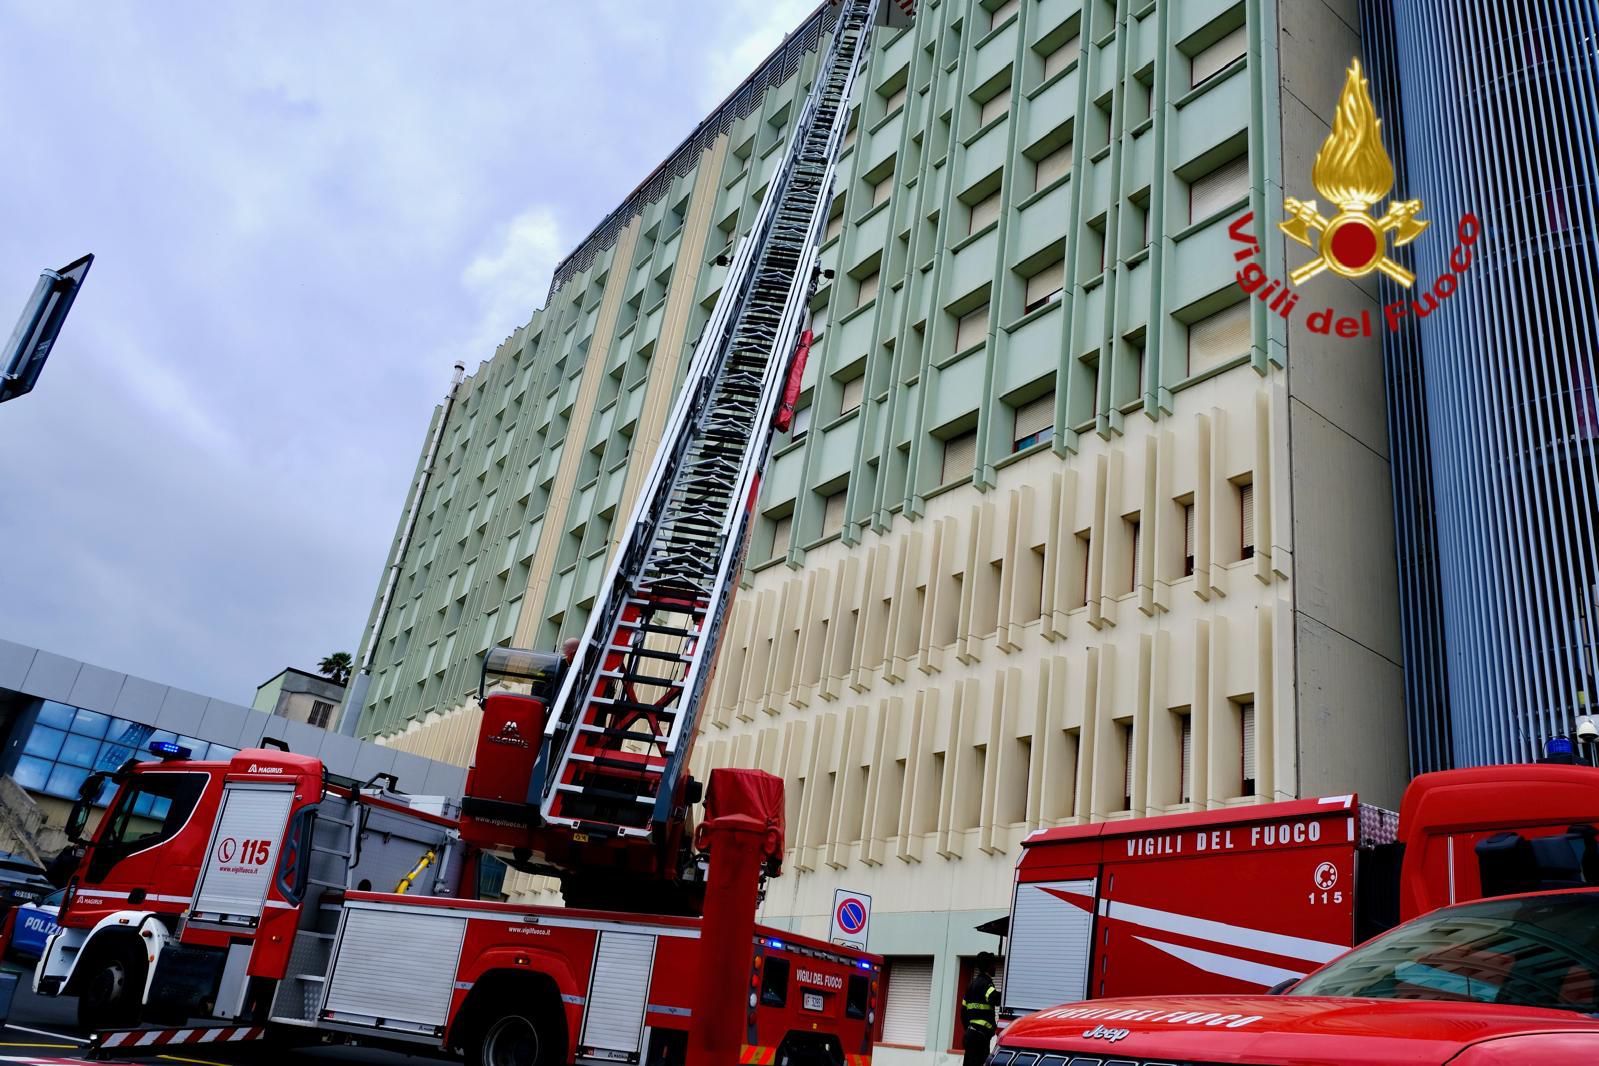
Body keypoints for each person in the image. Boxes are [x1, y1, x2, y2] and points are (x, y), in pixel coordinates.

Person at [960, 951, 1000, 1064]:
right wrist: (1008, 994)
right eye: (994, 964)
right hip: (980, 1037)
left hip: (971, 1035)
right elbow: (995, 998)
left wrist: (969, 1029)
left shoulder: (972, 984)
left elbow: (963, 1011)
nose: (995, 967)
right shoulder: (985, 983)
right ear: (988, 966)